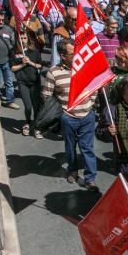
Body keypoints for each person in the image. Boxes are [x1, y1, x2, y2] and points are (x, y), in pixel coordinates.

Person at [44, 38, 99, 191]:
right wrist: (61, 112)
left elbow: (94, 88)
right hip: (68, 118)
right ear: (63, 56)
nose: (77, 55)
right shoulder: (54, 72)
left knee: (87, 147)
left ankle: (90, 178)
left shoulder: (85, 68)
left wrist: (90, 104)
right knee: (70, 147)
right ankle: (73, 171)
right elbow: (47, 96)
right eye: (72, 53)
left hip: (87, 115)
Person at [11, 30, 43, 137]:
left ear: (28, 38)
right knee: (28, 106)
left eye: (25, 38)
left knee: (36, 106)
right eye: (21, 38)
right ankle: (28, 123)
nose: (23, 40)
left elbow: (40, 66)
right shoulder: (14, 51)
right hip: (22, 82)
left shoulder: (34, 51)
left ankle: (37, 126)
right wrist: (22, 64)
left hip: (35, 82)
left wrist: (30, 62)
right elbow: (12, 68)